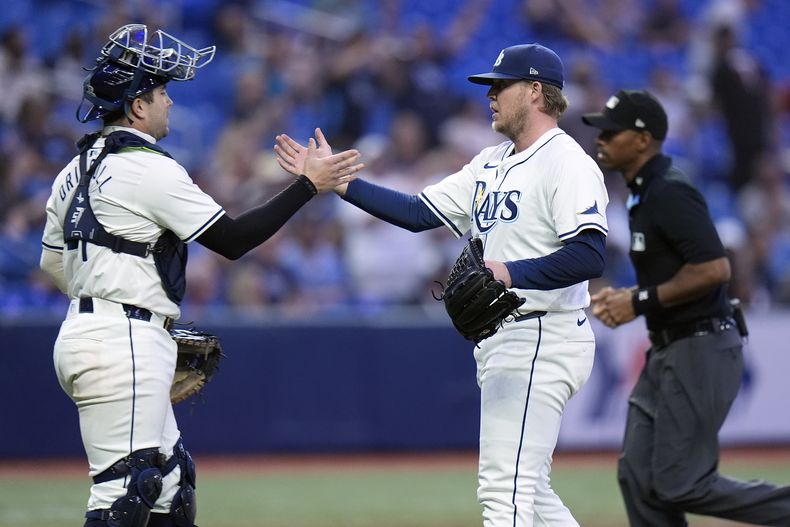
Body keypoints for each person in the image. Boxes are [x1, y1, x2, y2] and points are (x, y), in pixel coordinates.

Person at [39, 24, 362, 527]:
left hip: (92, 333)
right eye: (161, 93)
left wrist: (108, 302)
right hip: (122, 339)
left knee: (170, 486)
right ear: (137, 106)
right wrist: (307, 186)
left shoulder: (71, 171)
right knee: (124, 495)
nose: (169, 102)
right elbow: (231, 240)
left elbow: (53, 265)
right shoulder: (147, 167)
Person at [276, 43, 609, 527]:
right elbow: (418, 213)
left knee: (503, 491)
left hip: (543, 333)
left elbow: (590, 255)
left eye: (501, 86)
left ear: (536, 91)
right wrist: (338, 184)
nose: (490, 96)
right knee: (532, 494)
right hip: (506, 336)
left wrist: (509, 272)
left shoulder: (566, 161)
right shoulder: (491, 161)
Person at [584, 89, 790, 526]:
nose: (600, 139)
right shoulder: (643, 192)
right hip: (669, 348)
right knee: (638, 476)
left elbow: (715, 269)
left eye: (611, 132)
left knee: (682, 483)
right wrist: (627, 297)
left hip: (700, 347)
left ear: (643, 140)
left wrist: (638, 300)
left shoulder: (668, 191)